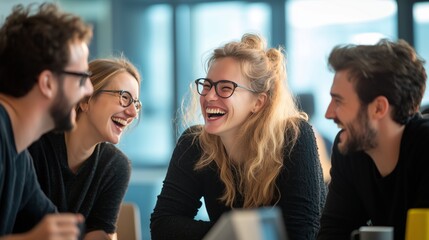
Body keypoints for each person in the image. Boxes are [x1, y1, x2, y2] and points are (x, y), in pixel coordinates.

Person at [151, 33, 326, 240]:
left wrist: (227, 234)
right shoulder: (194, 143)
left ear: (258, 102)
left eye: (225, 88)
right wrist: (238, 233)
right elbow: (163, 226)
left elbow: (303, 233)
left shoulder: (294, 135)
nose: (208, 96)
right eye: (207, 86)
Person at [317, 39, 428, 240]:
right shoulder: (349, 150)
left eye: (338, 101)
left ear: (378, 108)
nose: (328, 113)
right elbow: (332, 234)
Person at [0, 2, 93, 239]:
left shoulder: (19, 156)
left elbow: (58, 226)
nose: (90, 89)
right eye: (82, 78)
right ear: (47, 83)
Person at [28, 57, 141, 240]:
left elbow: (100, 232)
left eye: (136, 103)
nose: (133, 113)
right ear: (85, 99)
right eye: (124, 97)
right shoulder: (33, 146)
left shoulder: (116, 166)